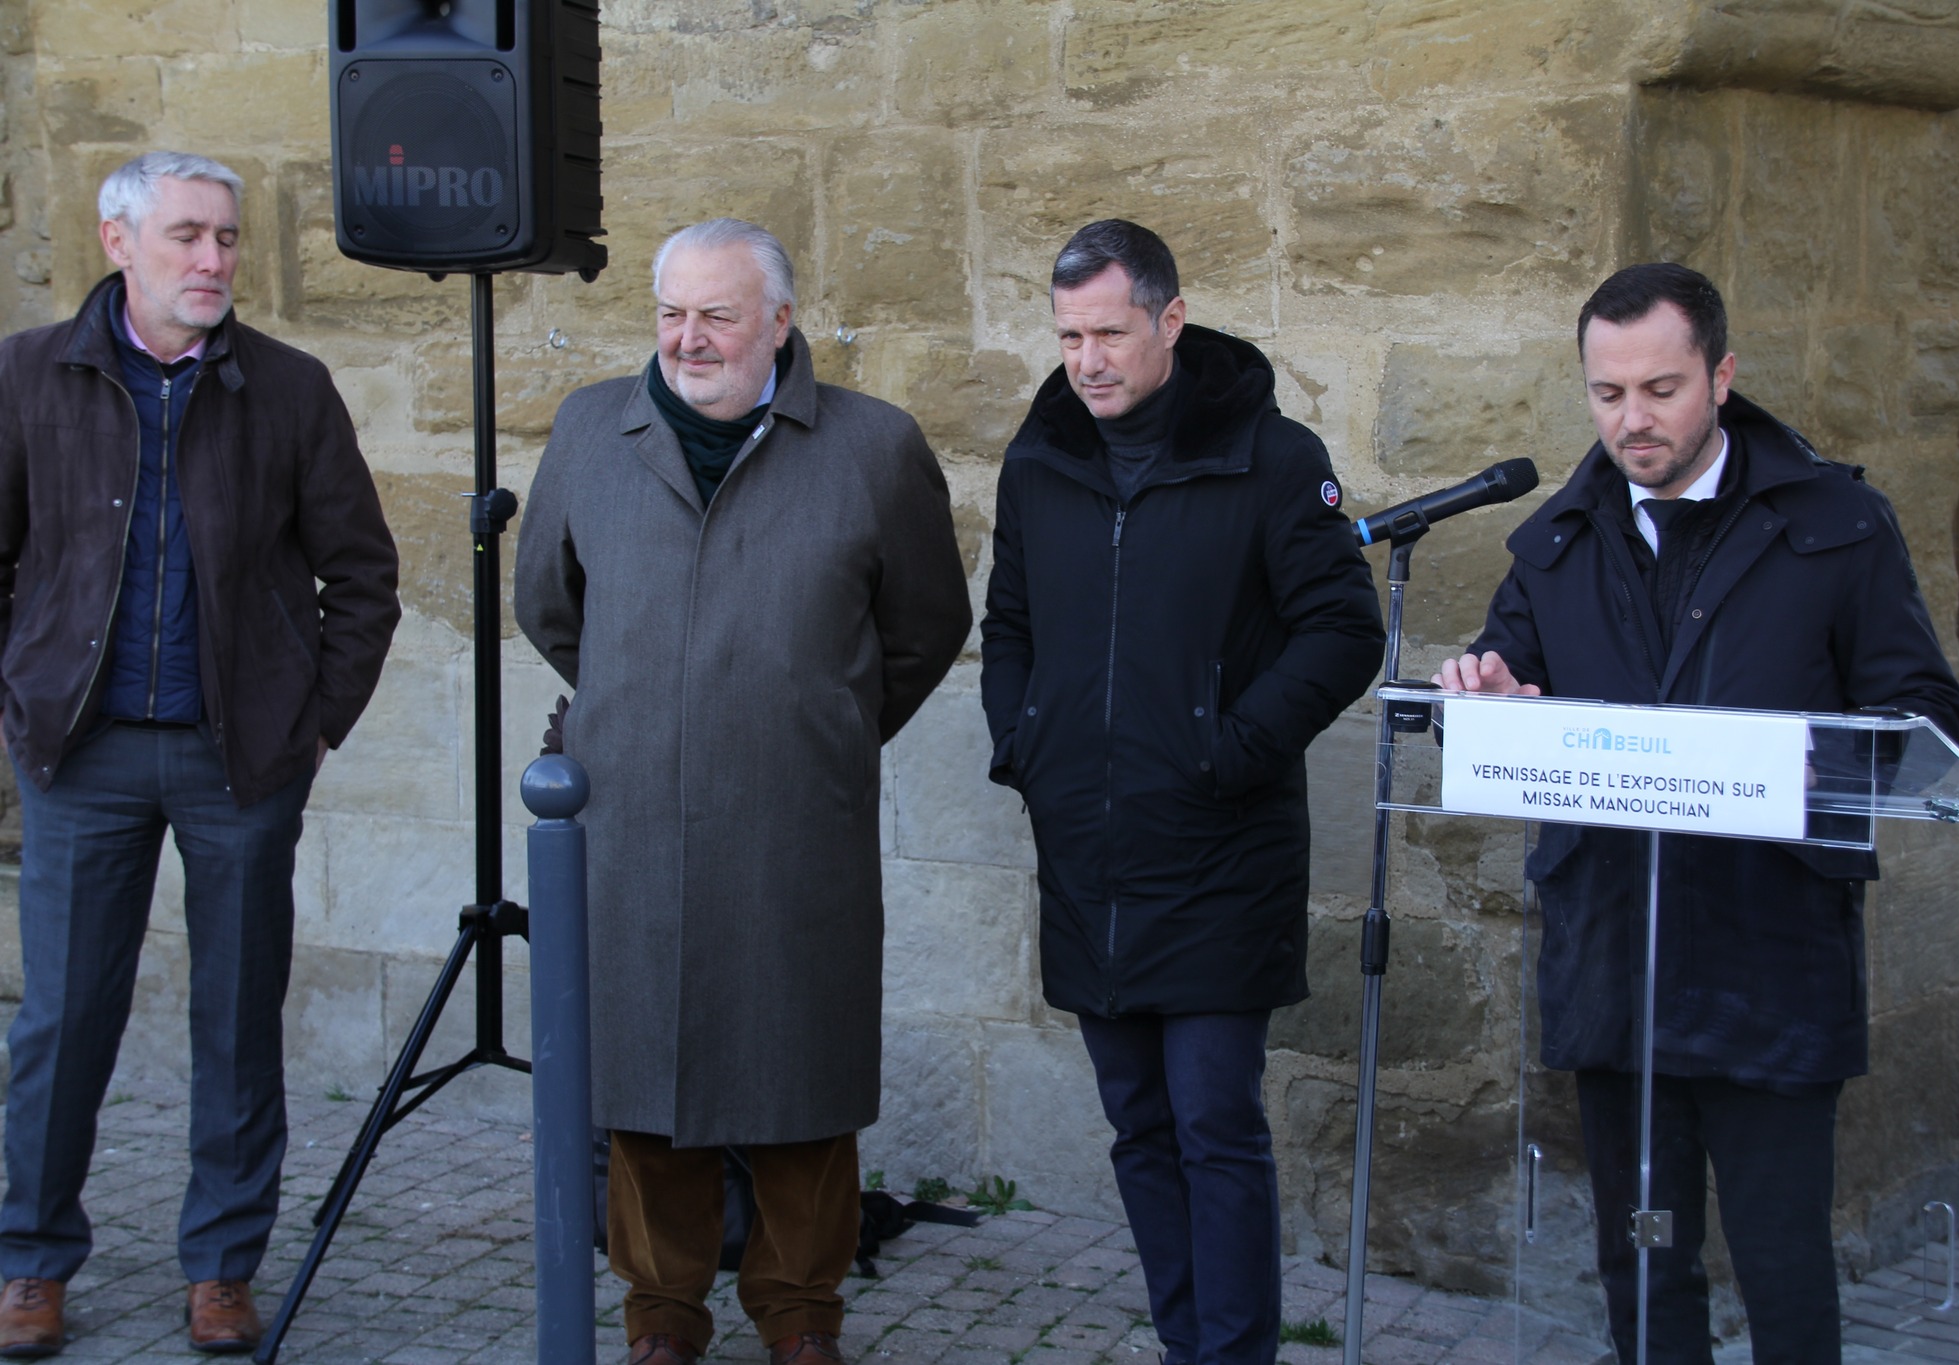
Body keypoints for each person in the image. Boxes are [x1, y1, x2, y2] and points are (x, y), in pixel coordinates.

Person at [1434, 262, 1959, 1363]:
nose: (1631, 420)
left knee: (1779, 1265)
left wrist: (1778, 767)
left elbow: (1921, 715)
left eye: (1660, 390)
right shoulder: (1553, 543)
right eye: (1607, 393)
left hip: (1767, 956)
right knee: (1642, 1259)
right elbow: (1503, 688)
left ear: (1720, 376)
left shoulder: (1834, 525)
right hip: (1613, 960)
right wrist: (1481, 706)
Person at [515, 218, 971, 1365]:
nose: (688, 338)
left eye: (716, 314)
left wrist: (815, 727)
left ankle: (798, 1313)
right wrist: (653, 708)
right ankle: (662, 1316)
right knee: (642, 1076)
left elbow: (924, 626)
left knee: (799, 1082)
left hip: (793, 826)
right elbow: (548, 606)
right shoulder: (589, 431)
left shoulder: (872, 447)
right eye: (671, 313)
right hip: (630, 821)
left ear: (778, 319)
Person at [0, 150, 402, 1356]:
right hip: (81, 754)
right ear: (118, 242)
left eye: (225, 238)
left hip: (243, 764)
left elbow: (363, 575)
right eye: (186, 236)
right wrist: (18, 705)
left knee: (237, 1021)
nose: (214, 260)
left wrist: (313, 721)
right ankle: (29, 1262)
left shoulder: (288, 389)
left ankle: (221, 1267)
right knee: (64, 1021)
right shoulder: (27, 378)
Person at [979, 219, 1384, 1365]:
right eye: (1068, 335)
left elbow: (1341, 628)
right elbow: (1007, 624)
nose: (1087, 360)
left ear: (1169, 320)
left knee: (1212, 1121)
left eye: (1109, 331)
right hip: (1088, 848)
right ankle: (1183, 1343)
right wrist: (1023, 739)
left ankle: (1234, 1351)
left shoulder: (1268, 455)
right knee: (1139, 1125)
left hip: (1219, 850)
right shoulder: (1038, 459)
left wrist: (1233, 747)